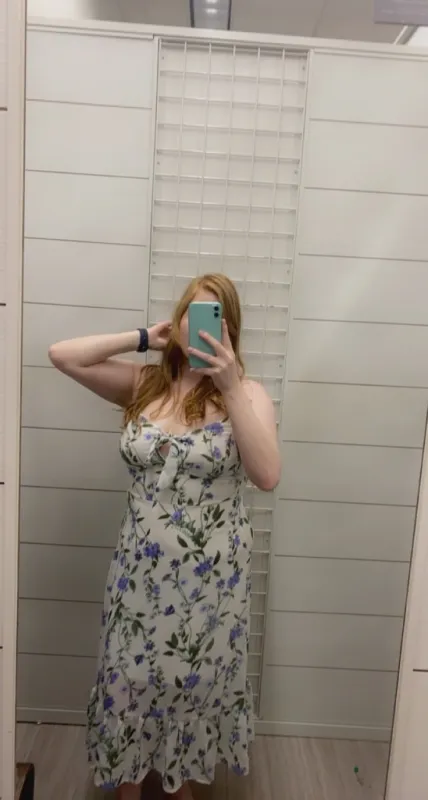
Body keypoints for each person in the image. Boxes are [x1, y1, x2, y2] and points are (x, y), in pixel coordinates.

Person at [48, 273, 281, 799]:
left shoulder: (247, 395)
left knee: (188, 688)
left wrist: (228, 385)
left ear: (229, 330)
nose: (198, 330)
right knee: (129, 683)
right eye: (190, 316)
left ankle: (179, 784)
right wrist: (141, 338)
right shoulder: (145, 384)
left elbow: (267, 475)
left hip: (210, 586)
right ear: (177, 322)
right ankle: (128, 786)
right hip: (138, 575)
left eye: (212, 319)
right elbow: (62, 355)